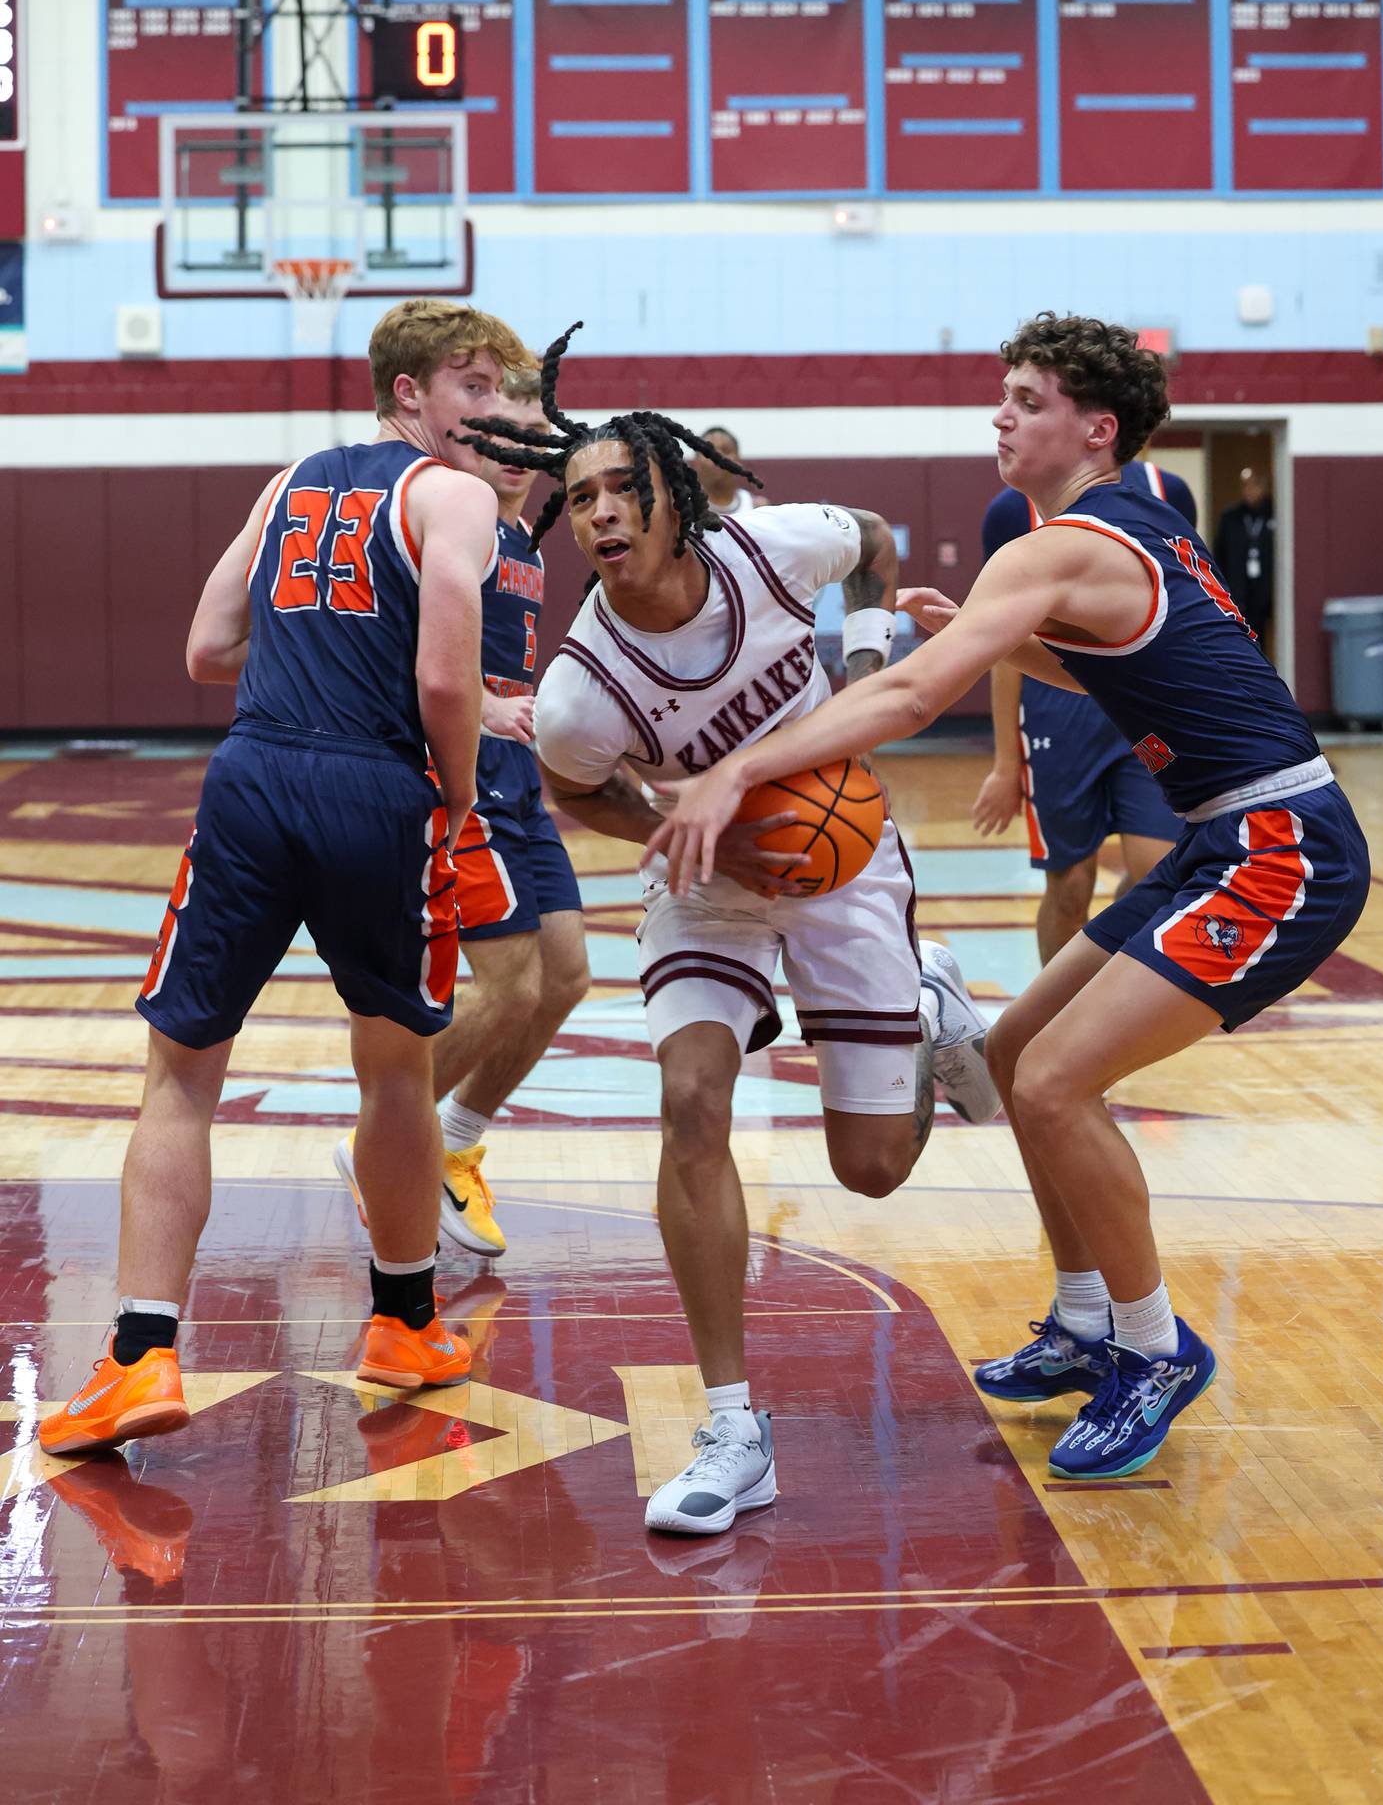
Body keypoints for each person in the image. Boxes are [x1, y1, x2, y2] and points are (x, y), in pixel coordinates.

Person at [646, 312, 1370, 1483]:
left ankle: (1152, 1348)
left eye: (1028, 399)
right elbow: (1116, 664)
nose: (1001, 413)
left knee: (1058, 1080)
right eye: (1004, 394)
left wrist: (739, 766)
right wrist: (993, 643)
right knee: (1012, 1052)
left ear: (1097, 427)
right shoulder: (1123, 531)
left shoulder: (1060, 545)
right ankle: (1087, 1317)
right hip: (1228, 830)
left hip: (1279, 844)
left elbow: (908, 700)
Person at [460, 350, 996, 1536]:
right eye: (582, 497)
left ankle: (925, 1001)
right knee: (692, 1106)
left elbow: (875, 535)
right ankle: (734, 1425)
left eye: (621, 491)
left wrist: (860, 656)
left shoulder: (774, 547)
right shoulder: (581, 689)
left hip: (842, 864)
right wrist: (664, 823)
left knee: (872, 1171)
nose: (599, 513)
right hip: (706, 887)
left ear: (673, 499)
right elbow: (575, 792)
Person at [38, 299, 517, 1456]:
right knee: (395, 1070)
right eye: (473, 386)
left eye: (501, 388)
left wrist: (317, 648)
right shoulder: (457, 496)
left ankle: (138, 1357)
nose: (495, 411)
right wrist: (453, 796)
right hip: (379, 791)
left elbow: (207, 649)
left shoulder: (294, 474)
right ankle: (404, 1325)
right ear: (407, 395)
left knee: (180, 1078)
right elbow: (450, 686)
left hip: (251, 781)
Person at [335, 344, 592, 1256]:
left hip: (519, 784)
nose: (519, 451)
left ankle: (457, 1142)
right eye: (500, 433)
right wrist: (480, 711)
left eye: (534, 438)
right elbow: (404, 655)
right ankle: (382, 1144)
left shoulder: (524, 538)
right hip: (460, 777)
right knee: (508, 986)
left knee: (565, 977)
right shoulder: (447, 517)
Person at [973, 461, 1196, 963]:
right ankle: (1052, 1017)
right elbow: (1002, 641)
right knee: (1072, 885)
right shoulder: (1014, 509)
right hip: (1056, 710)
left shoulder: (1168, 490)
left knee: (1158, 871)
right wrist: (1007, 764)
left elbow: (1188, 612)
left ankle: (1096, 970)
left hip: (1143, 706)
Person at [1215, 466, 1275, 651]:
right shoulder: (1230, 517)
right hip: (1237, 591)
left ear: (1264, 488)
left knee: (1262, 639)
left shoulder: (1276, 514)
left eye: (1255, 486)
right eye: (1246, 486)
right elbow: (1219, 555)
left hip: (1266, 593)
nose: (1250, 491)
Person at [689, 423, 769, 519]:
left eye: (725, 450)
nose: (717, 457)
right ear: (695, 462)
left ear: (738, 461)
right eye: (708, 452)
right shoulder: (681, 506)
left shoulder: (757, 508)